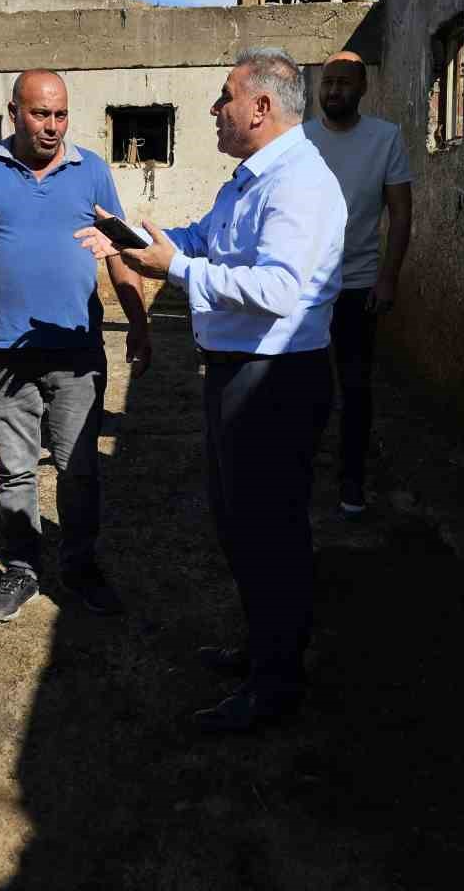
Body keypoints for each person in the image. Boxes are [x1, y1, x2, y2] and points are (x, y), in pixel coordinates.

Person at [76, 47, 345, 733]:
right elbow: (203, 238)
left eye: (222, 98)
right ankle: (263, 649)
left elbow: (281, 290)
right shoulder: (249, 181)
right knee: (238, 525)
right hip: (238, 373)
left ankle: (276, 682)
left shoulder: (299, 185)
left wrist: (178, 270)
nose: (212, 112)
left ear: (260, 107)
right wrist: (135, 239)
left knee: (270, 535)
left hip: (274, 380)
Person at [0, 69, 152, 624]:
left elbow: (121, 251)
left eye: (60, 115)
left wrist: (141, 324)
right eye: (39, 114)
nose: (52, 126)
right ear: (14, 112)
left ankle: (79, 565)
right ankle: (21, 567)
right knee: (15, 468)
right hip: (3, 350)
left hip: (77, 351)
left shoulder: (92, 172)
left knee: (79, 467)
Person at [303, 51, 413, 517]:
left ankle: (352, 481)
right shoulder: (301, 139)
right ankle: (300, 475)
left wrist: (387, 278)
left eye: (344, 84)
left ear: (363, 88)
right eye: (327, 83)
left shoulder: (385, 139)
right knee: (304, 388)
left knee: (356, 387)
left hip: (359, 285)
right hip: (304, 288)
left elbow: (401, 212)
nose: (333, 92)